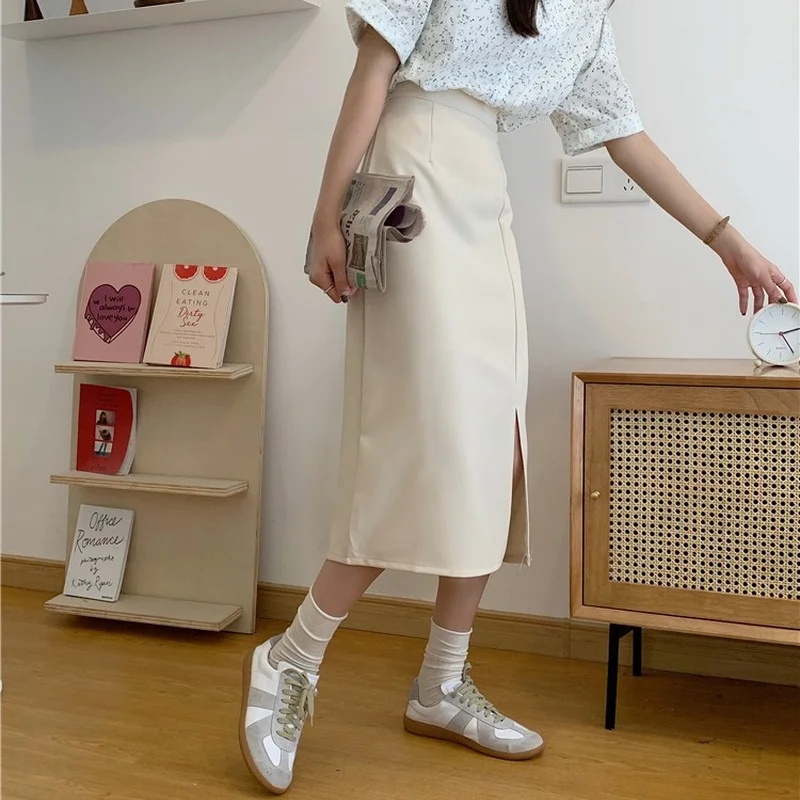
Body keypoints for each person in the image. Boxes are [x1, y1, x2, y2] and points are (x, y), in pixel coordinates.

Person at [239, 0, 798, 793]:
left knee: (499, 453)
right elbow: (374, 66)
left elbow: (625, 134)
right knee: (423, 443)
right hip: (410, 184)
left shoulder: (589, 18)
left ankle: (441, 681)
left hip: (482, 199)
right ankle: (293, 655)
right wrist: (326, 214)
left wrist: (727, 242)